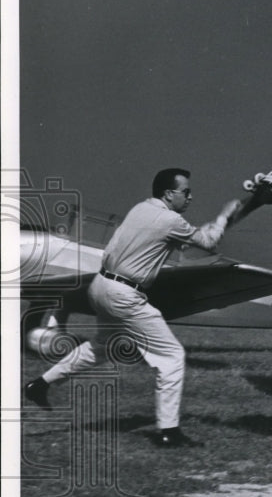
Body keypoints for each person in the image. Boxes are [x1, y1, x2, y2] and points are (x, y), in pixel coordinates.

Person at [23, 168, 243, 447]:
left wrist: (212, 226)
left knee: (101, 347)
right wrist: (224, 217)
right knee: (172, 356)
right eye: (185, 192)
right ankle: (168, 431)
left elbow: (186, 242)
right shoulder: (170, 220)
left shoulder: (141, 209)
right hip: (125, 293)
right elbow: (207, 243)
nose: (190, 196)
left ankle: (39, 385)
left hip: (100, 286)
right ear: (168, 194)